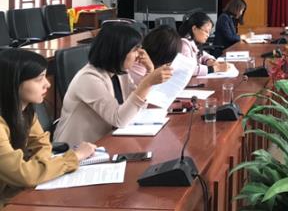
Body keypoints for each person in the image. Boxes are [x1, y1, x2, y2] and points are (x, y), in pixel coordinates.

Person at [0, 49, 96, 205]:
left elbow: (42, 144)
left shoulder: (25, 111)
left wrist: (37, 170)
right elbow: (25, 175)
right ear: (14, 82)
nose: (48, 84)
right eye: (39, 79)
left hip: (13, 192)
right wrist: (74, 157)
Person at [54, 24, 173, 146]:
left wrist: (149, 72)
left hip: (104, 141)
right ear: (118, 52)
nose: (139, 55)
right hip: (75, 149)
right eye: (135, 50)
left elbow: (136, 109)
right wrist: (147, 83)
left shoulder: (120, 72)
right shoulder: (88, 78)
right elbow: (118, 119)